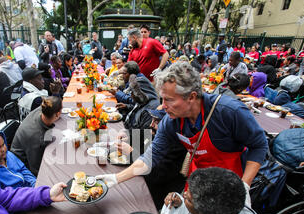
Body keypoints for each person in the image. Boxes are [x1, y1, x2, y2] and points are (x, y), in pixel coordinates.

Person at [97, 61, 268, 201]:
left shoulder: (229, 111)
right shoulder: (171, 121)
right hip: (197, 180)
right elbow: (150, 156)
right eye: (162, 99)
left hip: (230, 182)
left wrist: (244, 186)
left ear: (192, 97)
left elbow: (259, 145)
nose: (163, 106)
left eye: (169, 100)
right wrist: (114, 179)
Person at [11, 96, 62, 176]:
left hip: (33, 148)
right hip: (21, 165)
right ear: (57, 114)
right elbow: (36, 168)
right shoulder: (36, 136)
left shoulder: (44, 108)